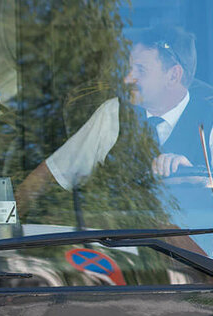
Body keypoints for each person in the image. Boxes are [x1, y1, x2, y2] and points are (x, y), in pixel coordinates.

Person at [16, 24, 213, 216]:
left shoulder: (210, 120)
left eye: (140, 70)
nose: (127, 79)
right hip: (116, 244)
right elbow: (51, 173)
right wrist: (3, 227)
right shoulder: (113, 112)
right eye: (129, 69)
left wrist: (199, 176)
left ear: (173, 76)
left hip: (191, 247)